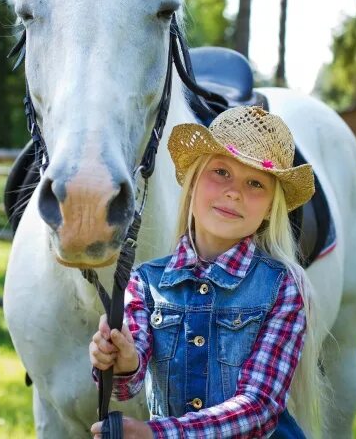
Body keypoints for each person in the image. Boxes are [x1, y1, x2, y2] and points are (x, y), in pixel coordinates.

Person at [89, 106, 321, 438]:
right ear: (194, 179)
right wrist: (122, 361)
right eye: (221, 172)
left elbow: (259, 406)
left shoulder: (284, 287)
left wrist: (157, 435)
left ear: (271, 207)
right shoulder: (145, 282)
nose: (234, 192)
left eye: (255, 182)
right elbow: (125, 387)